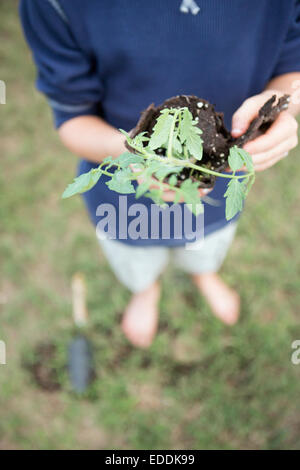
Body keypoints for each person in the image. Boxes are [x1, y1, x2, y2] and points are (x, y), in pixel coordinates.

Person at [20, 0, 300, 348]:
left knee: (206, 241)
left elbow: (293, 67)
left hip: (215, 189)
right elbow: (72, 117)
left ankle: (203, 273)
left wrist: (282, 101)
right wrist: (137, 159)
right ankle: (145, 290)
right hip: (122, 199)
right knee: (134, 255)